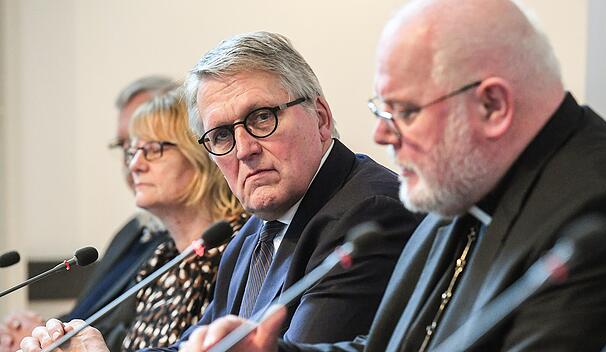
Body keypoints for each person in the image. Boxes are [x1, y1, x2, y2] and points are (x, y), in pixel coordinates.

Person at [175, 0, 606, 351]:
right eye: (382, 109)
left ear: (492, 106)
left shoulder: (601, 212)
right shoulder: (459, 189)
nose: (382, 134)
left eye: (404, 111)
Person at [18, 31, 422, 352]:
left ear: (319, 118)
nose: (244, 150)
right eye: (221, 134)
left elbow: (299, 348)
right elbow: (194, 345)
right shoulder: (249, 232)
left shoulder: (369, 213)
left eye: (262, 118)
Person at [0, 75, 175, 352]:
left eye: (150, 147)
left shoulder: (197, 244)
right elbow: (89, 315)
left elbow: (129, 339)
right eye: (126, 147)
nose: (133, 162)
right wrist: (41, 333)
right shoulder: (133, 230)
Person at [115, 88, 247, 351]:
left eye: (153, 149)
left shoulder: (241, 247)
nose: (135, 166)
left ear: (199, 157)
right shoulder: (161, 259)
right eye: (133, 151)